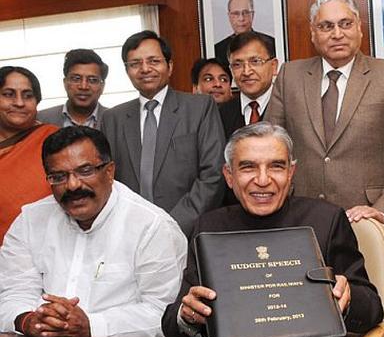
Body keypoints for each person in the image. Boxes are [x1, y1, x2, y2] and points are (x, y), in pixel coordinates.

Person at [161, 122, 383, 337]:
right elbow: (172, 321)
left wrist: (349, 297)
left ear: (290, 172)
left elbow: (373, 308)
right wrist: (187, 315)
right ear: (229, 176)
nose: (263, 180)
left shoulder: (326, 220)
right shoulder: (209, 228)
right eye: (248, 167)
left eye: (276, 166)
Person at [0, 126, 187, 337]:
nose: (72, 185)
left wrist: (92, 326)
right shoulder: (30, 221)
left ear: (109, 172)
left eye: (85, 171)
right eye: (59, 176)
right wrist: (29, 320)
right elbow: (12, 291)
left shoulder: (153, 227)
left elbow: (164, 313)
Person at [265, 0, 384, 235]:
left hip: (368, 225)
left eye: (345, 24)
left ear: (359, 28)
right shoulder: (289, 76)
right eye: (326, 26)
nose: (337, 34)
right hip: (300, 222)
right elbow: (270, 150)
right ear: (313, 33)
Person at [101, 30, 225, 236]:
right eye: (135, 64)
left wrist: (172, 225)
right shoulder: (113, 118)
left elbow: (213, 174)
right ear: (127, 70)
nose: (145, 69)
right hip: (130, 234)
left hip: (187, 230)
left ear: (170, 66)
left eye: (153, 61)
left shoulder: (199, 107)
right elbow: (106, 179)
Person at [0, 66, 58, 244]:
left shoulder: (55, 140)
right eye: (9, 94)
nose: (19, 103)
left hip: (48, 249)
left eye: (27, 95)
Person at [219, 31, 278, 140]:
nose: (246, 72)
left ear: (274, 66)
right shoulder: (221, 114)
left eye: (255, 61)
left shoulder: (290, 108)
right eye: (237, 64)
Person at [37, 49, 109, 129]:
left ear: (102, 86)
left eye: (92, 80)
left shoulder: (115, 120)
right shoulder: (41, 119)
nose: (83, 86)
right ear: (65, 83)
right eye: (76, 79)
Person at [214, 0, 276, 65]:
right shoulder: (218, 49)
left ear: (252, 15)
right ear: (229, 16)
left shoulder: (271, 43)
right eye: (236, 13)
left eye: (246, 13)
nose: (241, 18)